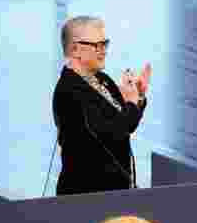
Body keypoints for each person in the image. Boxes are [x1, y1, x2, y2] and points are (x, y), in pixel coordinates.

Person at [53, 16, 151, 196]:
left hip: (115, 191)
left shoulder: (102, 80)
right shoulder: (69, 92)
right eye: (97, 45)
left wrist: (138, 96)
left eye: (105, 44)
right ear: (75, 49)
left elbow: (127, 122)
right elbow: (116, 130)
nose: (103, 51)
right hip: (85, 197)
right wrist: (130, 101)